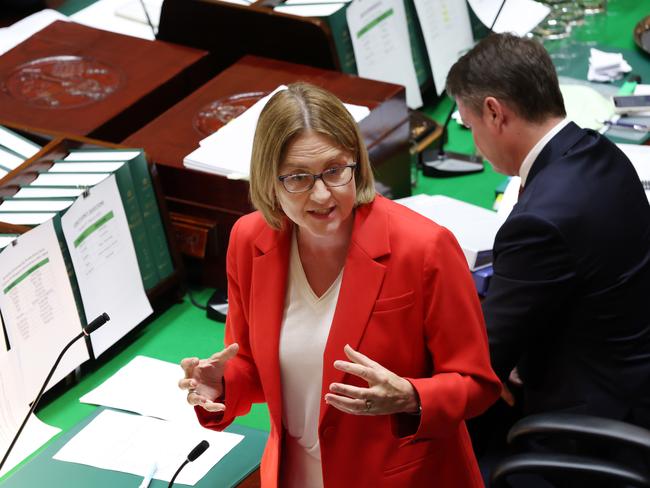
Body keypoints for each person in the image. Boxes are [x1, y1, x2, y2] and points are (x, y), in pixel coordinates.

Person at [179, 82, 500, 487]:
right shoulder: (249, 241)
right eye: (297, 177)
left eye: (334, 170)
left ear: (357, 164)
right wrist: (221, 385)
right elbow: (258, 368)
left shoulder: (424, 248)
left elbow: (477, 384)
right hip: (297, 475)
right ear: (269, 179)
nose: (321, 194)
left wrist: (411, 396)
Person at [447, 33, 650, 428]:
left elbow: (483, 361)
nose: (474, 143)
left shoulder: (537, 223)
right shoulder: (601, 150)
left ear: (495, 113)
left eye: (470, 125)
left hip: (591, 420)